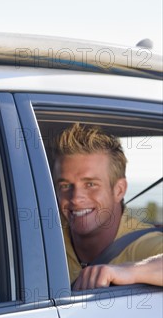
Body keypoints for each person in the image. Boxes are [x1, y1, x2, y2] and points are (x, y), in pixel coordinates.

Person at [52, 123, 162, 290]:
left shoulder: (142, 244)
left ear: (119, 190)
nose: (75, 198)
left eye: (90, 184)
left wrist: (130, 271)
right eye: (65, 186)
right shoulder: (47, 238)